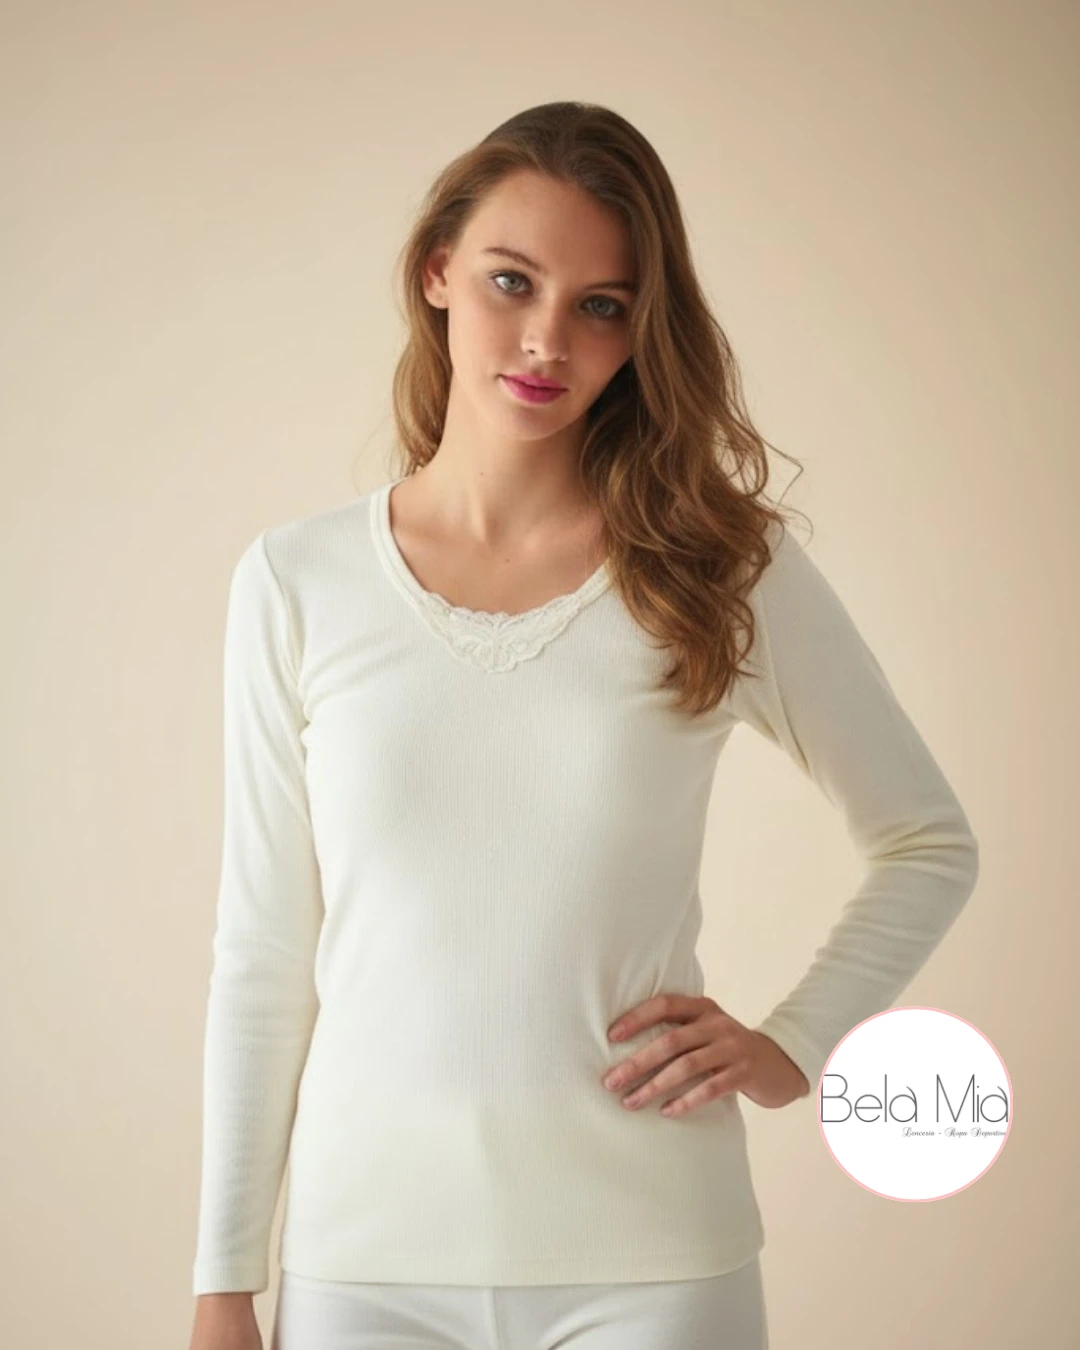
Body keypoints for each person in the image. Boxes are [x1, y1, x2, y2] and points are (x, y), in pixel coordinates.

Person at [187, 101, 979, 1350]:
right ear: (438, 272)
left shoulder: (715, 569)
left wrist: (792, 1047)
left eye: (601, 306)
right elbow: (263, 952)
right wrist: (224, 1281)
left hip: (653, 1262)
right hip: (364, 1264)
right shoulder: (296, 582)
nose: (547, 340)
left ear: (640, 331)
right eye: (512, 281)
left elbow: (928, 841)